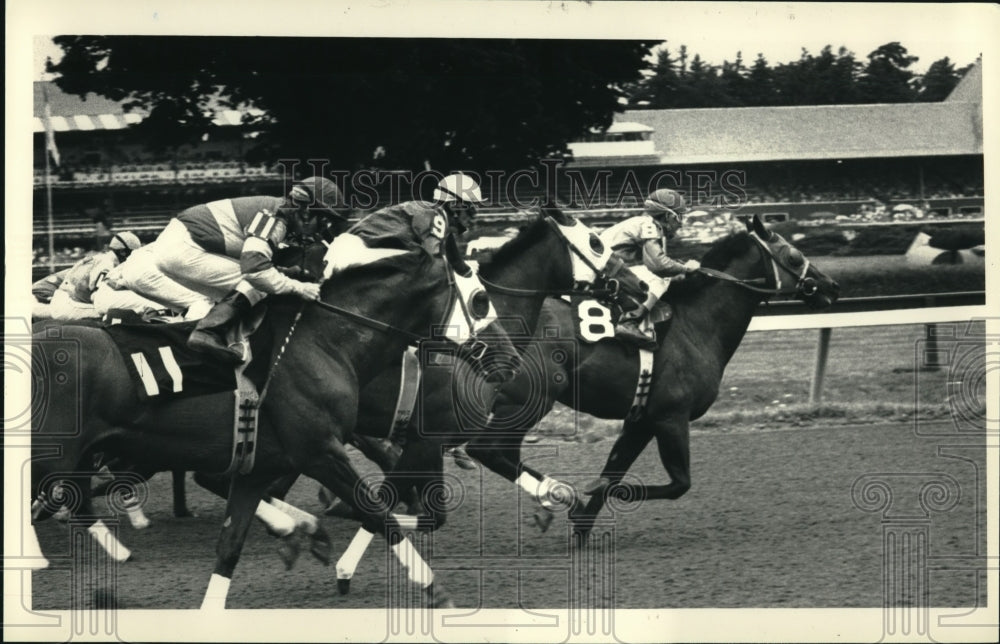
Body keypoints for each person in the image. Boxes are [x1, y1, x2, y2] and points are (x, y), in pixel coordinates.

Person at [141, 175, 350, 363]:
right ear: (305, 212)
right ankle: (207, 332)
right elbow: (255, 270)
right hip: (184, 248)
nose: (322, 229)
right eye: (323, 221)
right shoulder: (274, 217)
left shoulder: (281, 213)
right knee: (260, 283)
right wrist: (299, 288)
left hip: (178, 247)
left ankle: (230, 341)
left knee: (259, 292)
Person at [598, 188, 700, 348]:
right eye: (679, 216)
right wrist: (685, 269)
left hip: (605, 266)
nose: (681, 223)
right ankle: (629, 322)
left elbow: (649, 263)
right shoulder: (649, 225)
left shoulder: (642, 223)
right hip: (604, 268)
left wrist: (678, 269)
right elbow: (658, 266)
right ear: (668, 216)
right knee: (662, 278)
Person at [48, 232, 143, 320]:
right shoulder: (107, 264)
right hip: (70, 305)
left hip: (62, 299)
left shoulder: (98, 257)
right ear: (122, 252)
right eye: (132, 253)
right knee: (115, 313)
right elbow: (95, 297)